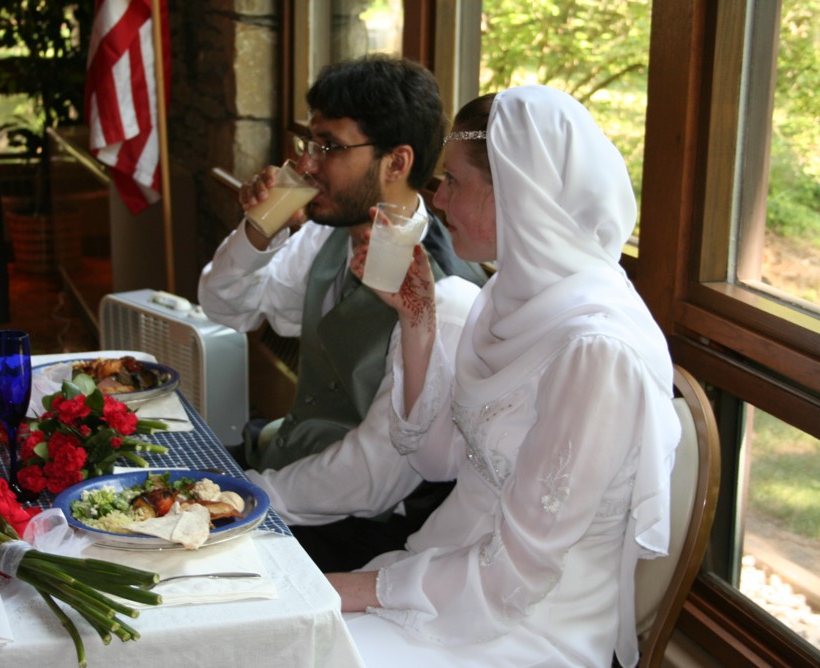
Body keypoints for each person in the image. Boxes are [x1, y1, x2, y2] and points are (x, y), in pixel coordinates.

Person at [330, 86, 681, 667]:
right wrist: (418, 323)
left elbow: (515, 575)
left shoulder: (597, 350)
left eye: (455, 181)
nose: (438, 200)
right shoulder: (505, 296)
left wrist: (342, 589)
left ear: (517, 192)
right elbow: (438, 461)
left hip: (527, 626)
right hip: (441, 579)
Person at [198, 55, 486, 572]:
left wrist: (244, 495)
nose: (307, 164)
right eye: (309, 143)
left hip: (359, 534)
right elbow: (227, 307)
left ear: (396, 163)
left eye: (329, 146)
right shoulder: (324, 236)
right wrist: (259, 231)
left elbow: (373, 477)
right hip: (288, 471)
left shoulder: (448, 294)